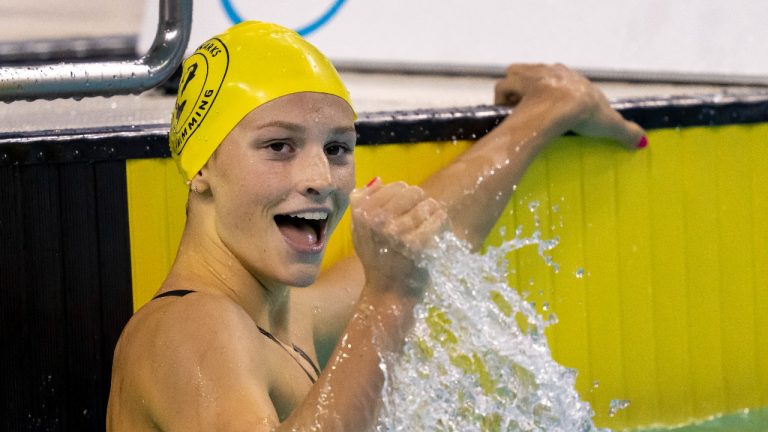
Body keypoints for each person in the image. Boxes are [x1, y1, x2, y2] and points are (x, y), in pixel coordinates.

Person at [106, 21, 645, 431]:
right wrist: (390, 299)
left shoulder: (282, 317)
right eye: (279, 146)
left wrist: (544, 114)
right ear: (201, 166)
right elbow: (380, 293)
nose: (320, 178)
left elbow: (439, 223)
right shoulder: (190, 326)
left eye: (337, 148)